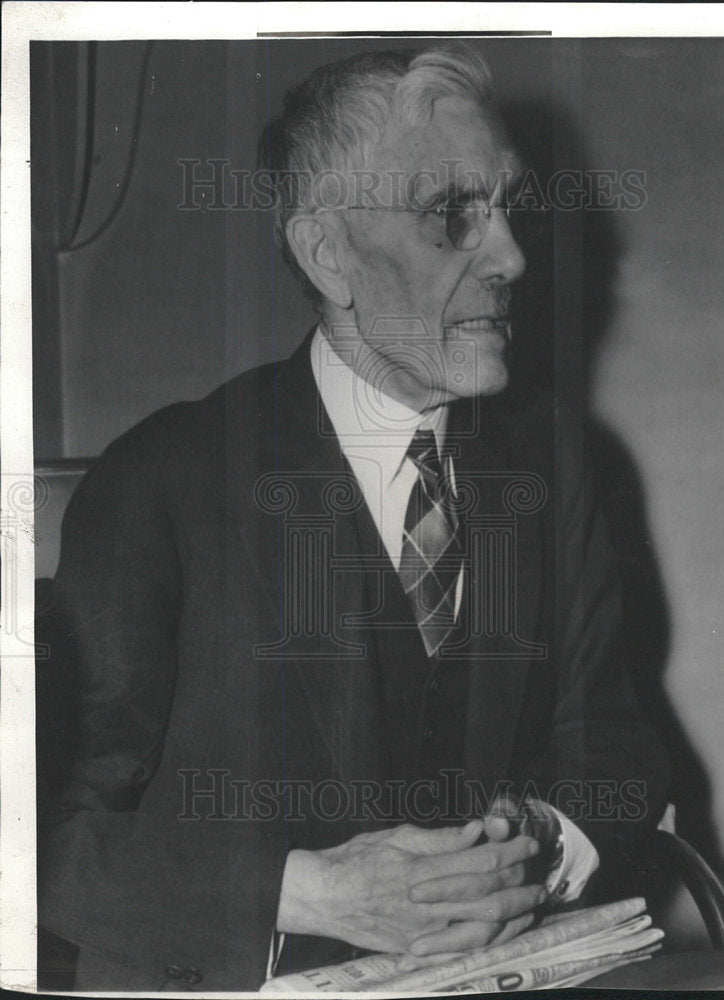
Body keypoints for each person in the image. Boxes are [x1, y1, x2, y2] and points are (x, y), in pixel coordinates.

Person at [38, 43, 669, 991]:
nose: (512, 257)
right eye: (452, 215)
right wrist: (308, 892)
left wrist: (540, 839)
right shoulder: (161, 481)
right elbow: (37, 829)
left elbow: (612, 742)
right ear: (327, 253)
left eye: (506, 208)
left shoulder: (555, 468)